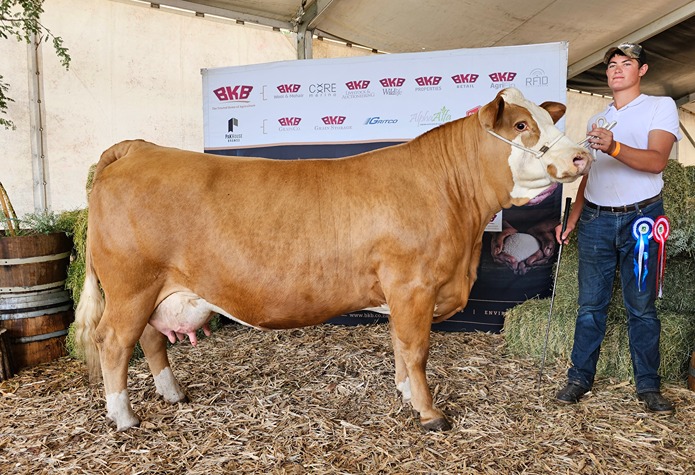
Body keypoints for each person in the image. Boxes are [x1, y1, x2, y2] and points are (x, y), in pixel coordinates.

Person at [554, 43, 681, 413]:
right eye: (612, 64)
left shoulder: (661, 106)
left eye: (626, 63)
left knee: (641, 307)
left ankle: (648, 387)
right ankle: (579, 378)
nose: (617, 69)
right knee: (590, 306)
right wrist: (575, 217)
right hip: (595, 218)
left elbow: (656, 162)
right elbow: (590, 173)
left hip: (642, 219)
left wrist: (613, 147)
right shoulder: (597, 118)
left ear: (641, 71)